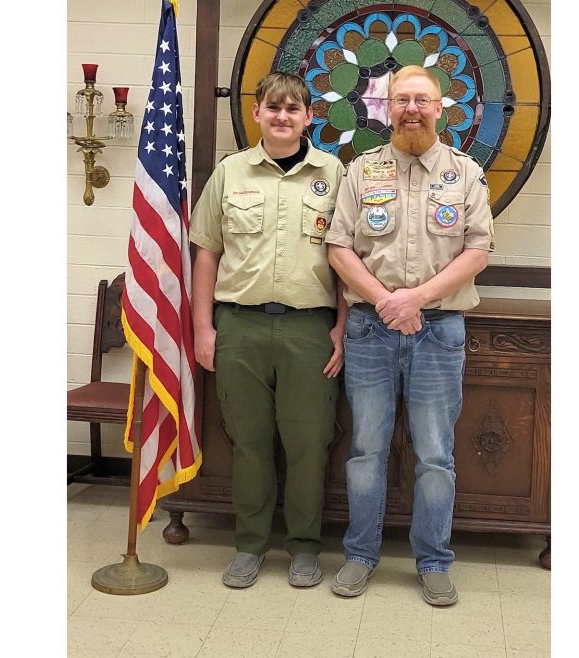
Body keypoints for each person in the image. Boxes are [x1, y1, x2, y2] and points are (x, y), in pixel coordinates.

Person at [324, 65, 493, 606]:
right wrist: (385, 301)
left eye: (422, 99)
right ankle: (360, 554)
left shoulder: (466, 174)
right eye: (401, 100)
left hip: (439, 331)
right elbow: (339, 247)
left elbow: (477, 251)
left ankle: (435, 560)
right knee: (366, 449)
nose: (412, 108)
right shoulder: (360, 172)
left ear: (441, 108)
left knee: (435, 454)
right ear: (386, 108)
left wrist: (414, 300)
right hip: (372, 331)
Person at [189, 72, 346, 590]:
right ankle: (250, 546)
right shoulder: (230, 173)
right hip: (241, 327)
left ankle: (303, 548)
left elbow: (348, 259)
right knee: (249, 443)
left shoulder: (334, 174)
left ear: (308, 117)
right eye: (273, 108)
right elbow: (207, 251)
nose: (282, 116)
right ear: (256, 113)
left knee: (308, 445)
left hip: (308, 331)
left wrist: (342, 328)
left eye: (293, 109)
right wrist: (203, 328)